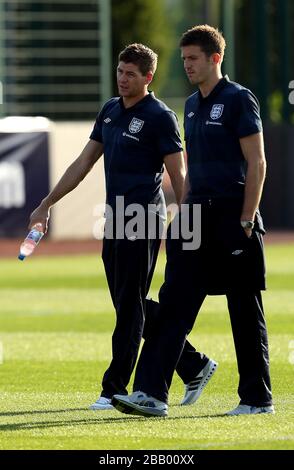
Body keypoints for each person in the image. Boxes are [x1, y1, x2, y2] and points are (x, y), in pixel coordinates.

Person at [29, 43, 216, 411]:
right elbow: (83, 163)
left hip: (144, 218)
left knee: (129, 308)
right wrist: (46, 203)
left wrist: (189, 218)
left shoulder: (161, 116)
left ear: (148, 77)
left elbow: (178, 173)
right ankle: (193, 364)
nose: (122, 79)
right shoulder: (110, 110)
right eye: (119, 71)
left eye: (131, 73)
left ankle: (112, 388)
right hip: (114, 218)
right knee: (127, 304)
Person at [111, 26, 274, 417]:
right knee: (172, 304)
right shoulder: (190, 104)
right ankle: (151, 393)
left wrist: (248, 218)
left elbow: (257, 162)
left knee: (244, 308)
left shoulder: (239, 99)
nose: (187, 65)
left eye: (193, 59)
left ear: (215, 58)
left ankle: (256, 398)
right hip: (195, 215)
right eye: (184, 59)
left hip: (234, 214)